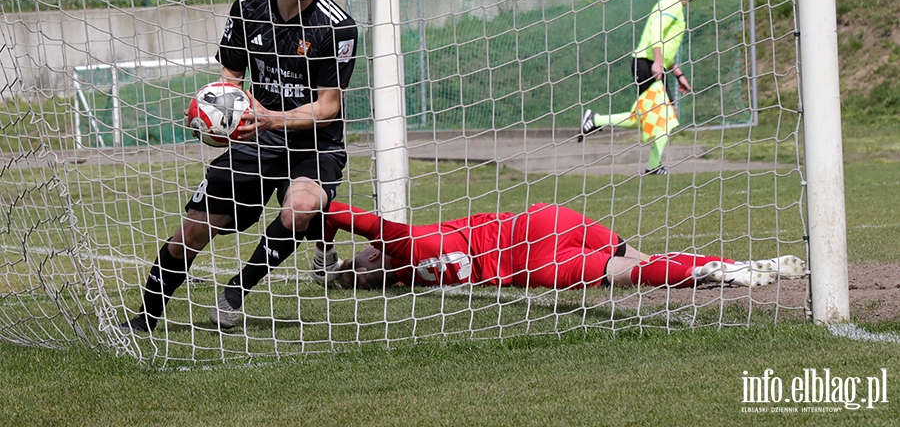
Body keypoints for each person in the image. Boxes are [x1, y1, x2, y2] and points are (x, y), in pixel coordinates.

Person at [120, 0, 358, 333]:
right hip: (256, 141)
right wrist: (216, 116)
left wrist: (270, 118)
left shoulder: (337, 26)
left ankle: (235, 294)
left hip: (313, 146)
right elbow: (230, 80)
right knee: (191, 232)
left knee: (301, 205)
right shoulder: (247, 9)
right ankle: (144, 322)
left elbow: (328, 107)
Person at [320, 201, 804, 291]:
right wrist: (319, 206)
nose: (362, 258)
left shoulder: (412, 263)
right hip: (543, 222)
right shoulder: (408, 246)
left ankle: (726, 271)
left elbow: (363, 227)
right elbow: (358, 218)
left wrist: (333, 264)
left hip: (533, 266)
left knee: (631, 273)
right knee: (636, 263)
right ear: (375, 258)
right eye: (358, 264)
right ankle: (730, 266)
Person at [579, 0, 700, 176]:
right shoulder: (673, 4)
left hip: (649, 63)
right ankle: (653, 166)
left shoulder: (669, 4)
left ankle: (595, 120)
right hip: (647, 64)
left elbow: (666, 46)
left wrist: (678, 74)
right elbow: (656, 32)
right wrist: (657, 64)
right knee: (666, 114)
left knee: (644, 117)